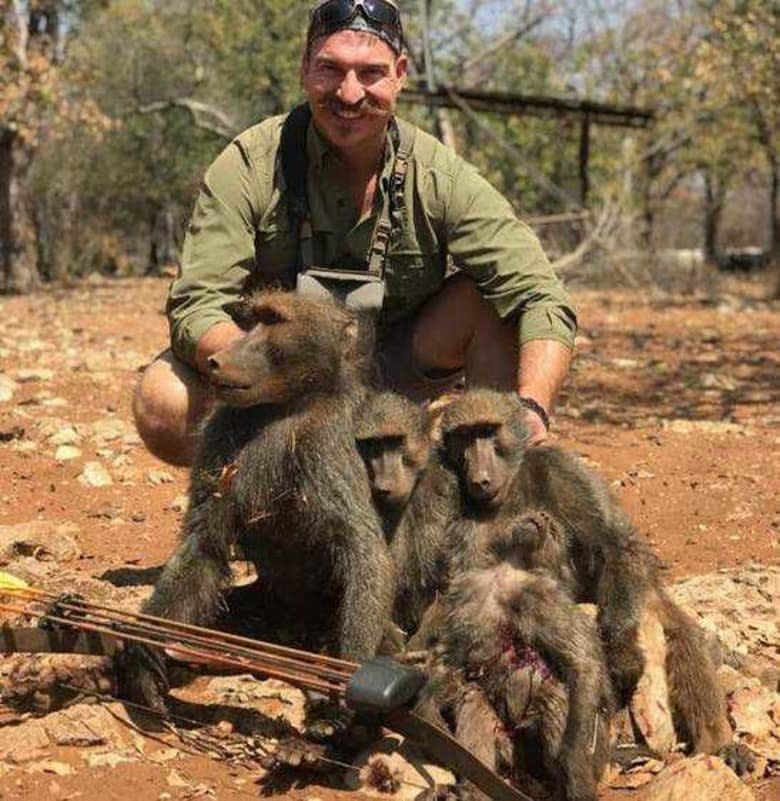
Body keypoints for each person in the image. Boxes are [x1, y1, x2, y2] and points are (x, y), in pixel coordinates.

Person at [133, 0, 577, 466]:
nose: (349, 94)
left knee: (491, 301)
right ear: (305, 68)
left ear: (400, 74)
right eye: (330, 69)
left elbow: (542, 295)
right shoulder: (250, 163)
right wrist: (278, 369)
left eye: (370, 73)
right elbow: (195, 303)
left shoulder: (441, 178)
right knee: (163, 401)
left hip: (390, 377)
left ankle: (466, 491)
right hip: (274, 382)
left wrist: (531, 406)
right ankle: (257, 494)